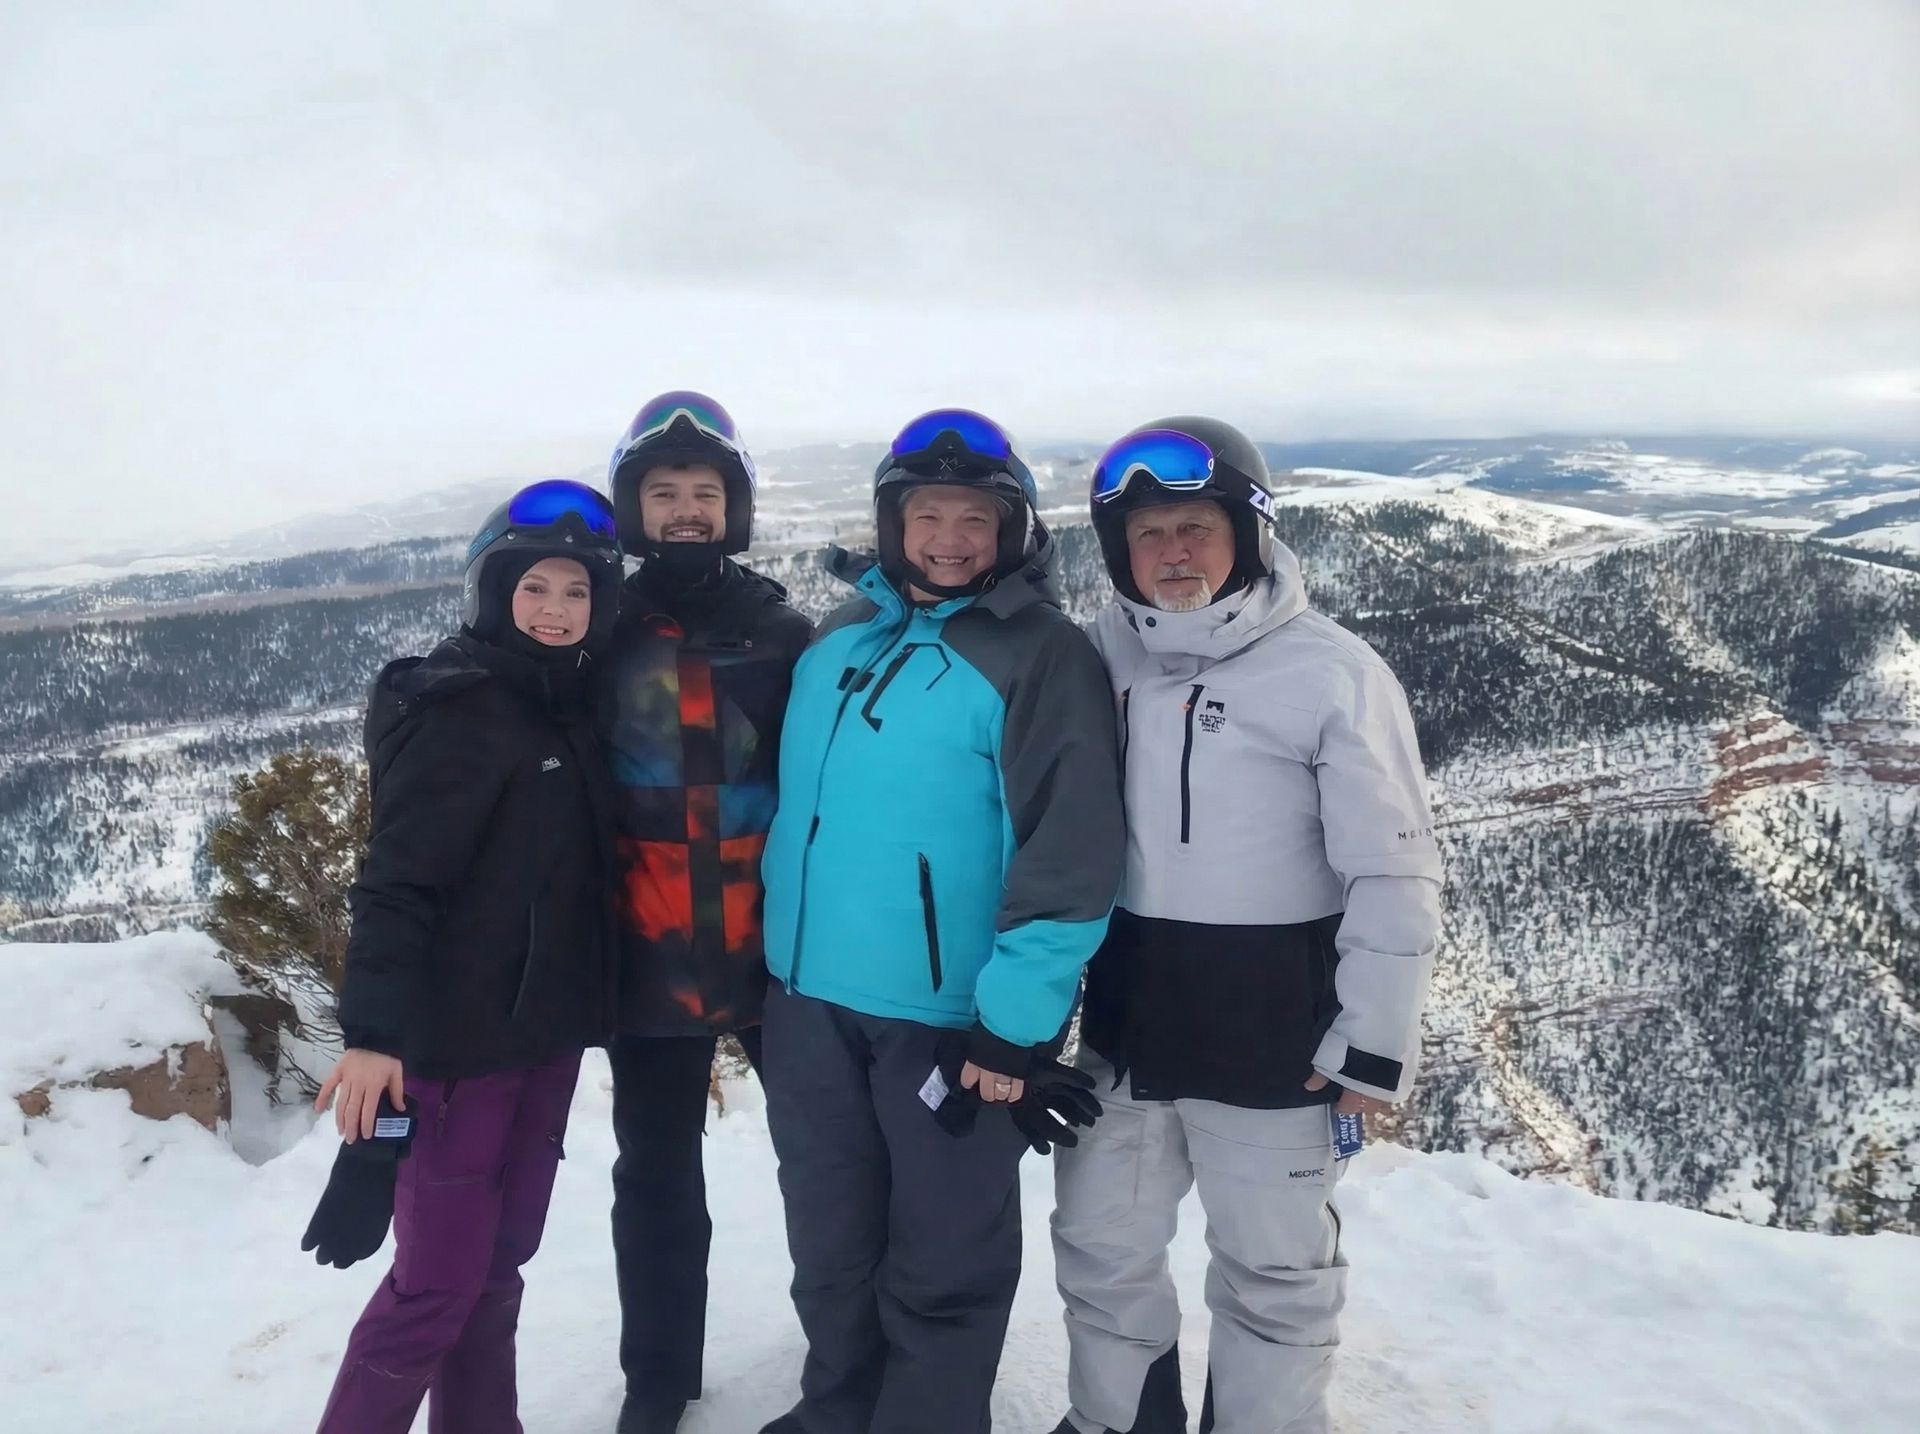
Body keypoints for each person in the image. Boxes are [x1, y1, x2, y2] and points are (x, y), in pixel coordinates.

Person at [1049, 419, 1443, 1434]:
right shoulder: (1102, 657)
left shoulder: (1330, 673)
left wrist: (1372, 1045)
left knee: (1275, 1272)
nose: (1171, 552)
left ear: (1249, 534)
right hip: (1130, 1019)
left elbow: (1394, 868)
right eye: (1147, 535)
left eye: (1194, 527)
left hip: (1277, 1030)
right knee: (1102, 1246)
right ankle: (1116, 1423)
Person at [757, 409, 1125, 1434]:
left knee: (945, 1256)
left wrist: (1015, 1026)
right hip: (806, 1003)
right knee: (828, 1242)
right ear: (892, 523)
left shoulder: (1041, 655)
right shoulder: (838, 641)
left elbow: (1071, 850)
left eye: (975, 516)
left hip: (947, 1018)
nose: (950, 537)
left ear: (1013, 531)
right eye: (928, 514)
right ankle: (836, 1410)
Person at [308, 479, 625, 1434]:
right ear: (494, 592)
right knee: (433, 1291)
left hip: (543, 1042)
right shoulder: (460, 708)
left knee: (495, 1274)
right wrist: (373, 1036)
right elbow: (397, 883)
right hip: (453, 1056)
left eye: (577, 592)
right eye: (535, 588)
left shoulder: (565, 704)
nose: (557, 611)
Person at [600, 391, 813, 1434]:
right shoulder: (598, 626)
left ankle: (848, 1343)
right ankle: (657, 1377)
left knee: (825, 1165)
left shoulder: (781, 629)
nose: (687, 510)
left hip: (776, 947)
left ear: (734, 506)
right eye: (664, 492)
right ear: (633, 508)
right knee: (655, 1179)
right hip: (647, 946)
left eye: (705, 493)